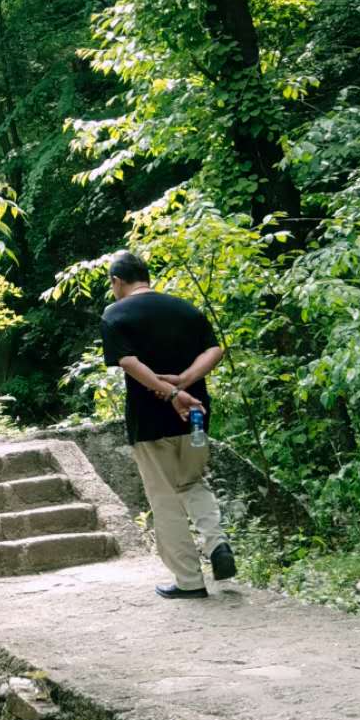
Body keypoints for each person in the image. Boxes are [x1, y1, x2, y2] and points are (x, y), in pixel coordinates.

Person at [101, 250, 234, 599]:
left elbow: (128, 361)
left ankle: (189, 581)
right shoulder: (183, 308)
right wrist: (186, 383)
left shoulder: (115, 313)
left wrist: (171, 391)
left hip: (150, 420)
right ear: (146, 276)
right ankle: (217, 542)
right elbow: (215, 350)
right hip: (196, 416)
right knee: (192, 482)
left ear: (117, 281)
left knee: (164, 498)